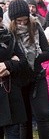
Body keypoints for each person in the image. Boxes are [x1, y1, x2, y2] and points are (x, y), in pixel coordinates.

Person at [8, 0, 49, 139]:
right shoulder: (8, 34)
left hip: (37, 77)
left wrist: (30, 58)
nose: (22, 23)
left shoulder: (36, 28)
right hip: (18, 81)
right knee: (24, 120)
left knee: (43, 115)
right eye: (18, 21)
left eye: (24, 20)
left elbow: (47, 52)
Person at [0, 9, 29, 139]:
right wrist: (11, 59)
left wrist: (7, 65)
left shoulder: (9, 37)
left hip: (10, 94)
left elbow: (23, 61)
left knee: (13, 134)